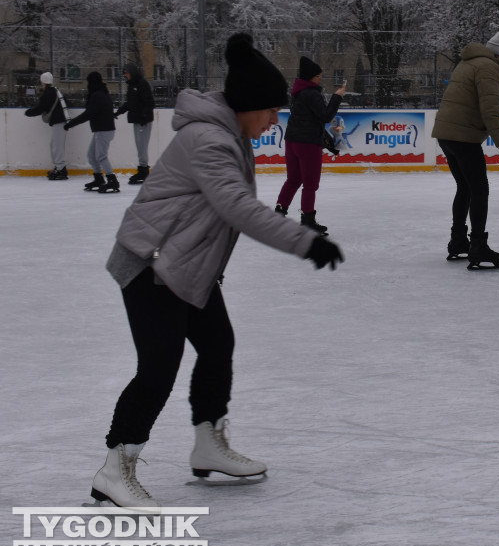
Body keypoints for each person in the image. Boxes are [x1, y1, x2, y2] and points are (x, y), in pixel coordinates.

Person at [90, 33, 344, 513]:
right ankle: (114, 469)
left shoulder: (229, 133)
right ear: (247, 105)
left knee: (217, 345)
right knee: (158, 367)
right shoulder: (208, 140)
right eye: (270, 111)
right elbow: (238, 207)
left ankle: (207, 444)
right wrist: (305, 240)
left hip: (185, 265)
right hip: (152, 263)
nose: (274, 121)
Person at [431, 29, 499, 268]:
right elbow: (490, 108)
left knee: (465, 187)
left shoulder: (468, 62)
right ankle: (478, 246)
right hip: (463, 136)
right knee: (480, 190)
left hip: (446, 134)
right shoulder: (489, 68)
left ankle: (458, 241)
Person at [275, 57, 346, 235]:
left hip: (291, 141)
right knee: (310, 184)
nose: (320, 78)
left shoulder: (297, 93)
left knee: (293, 180)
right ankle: (307, 219)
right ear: (310, 77)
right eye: (318, 75)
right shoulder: (312, 94)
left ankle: (279, 213)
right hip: (307, 144)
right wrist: (337, 97)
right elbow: (325, 116)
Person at [65, 71, 119, 192]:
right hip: (102, 130)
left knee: (101, 156)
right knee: (91, 155)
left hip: (103, 130)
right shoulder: (102, 93)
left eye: (89, 82)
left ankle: (112, 180)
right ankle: (99, 178)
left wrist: (71, 124)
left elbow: (88, 114)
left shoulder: (97, 96)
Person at [113, 63, 156, 185]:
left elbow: (150, 102)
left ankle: (143, 171)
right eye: (124, 73)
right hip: (137, 120)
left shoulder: (142, 84)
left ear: (132, 72)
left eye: (127, 73)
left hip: (143, 121)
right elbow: (130, 103)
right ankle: (142, 170)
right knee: (139, 147)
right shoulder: (132, 86)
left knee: (142, 147)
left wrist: (144, 116)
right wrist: (118, 112)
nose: (125, 76)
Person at [24, 72, 69, 180]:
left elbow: (40, 109)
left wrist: (28, 112)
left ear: (43, 81)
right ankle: (59, 167)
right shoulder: (55, 91)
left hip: (59, 122)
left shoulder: (48, 94)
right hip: (61, 121)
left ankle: (61, 169)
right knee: (54, 145)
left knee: (56, 147)